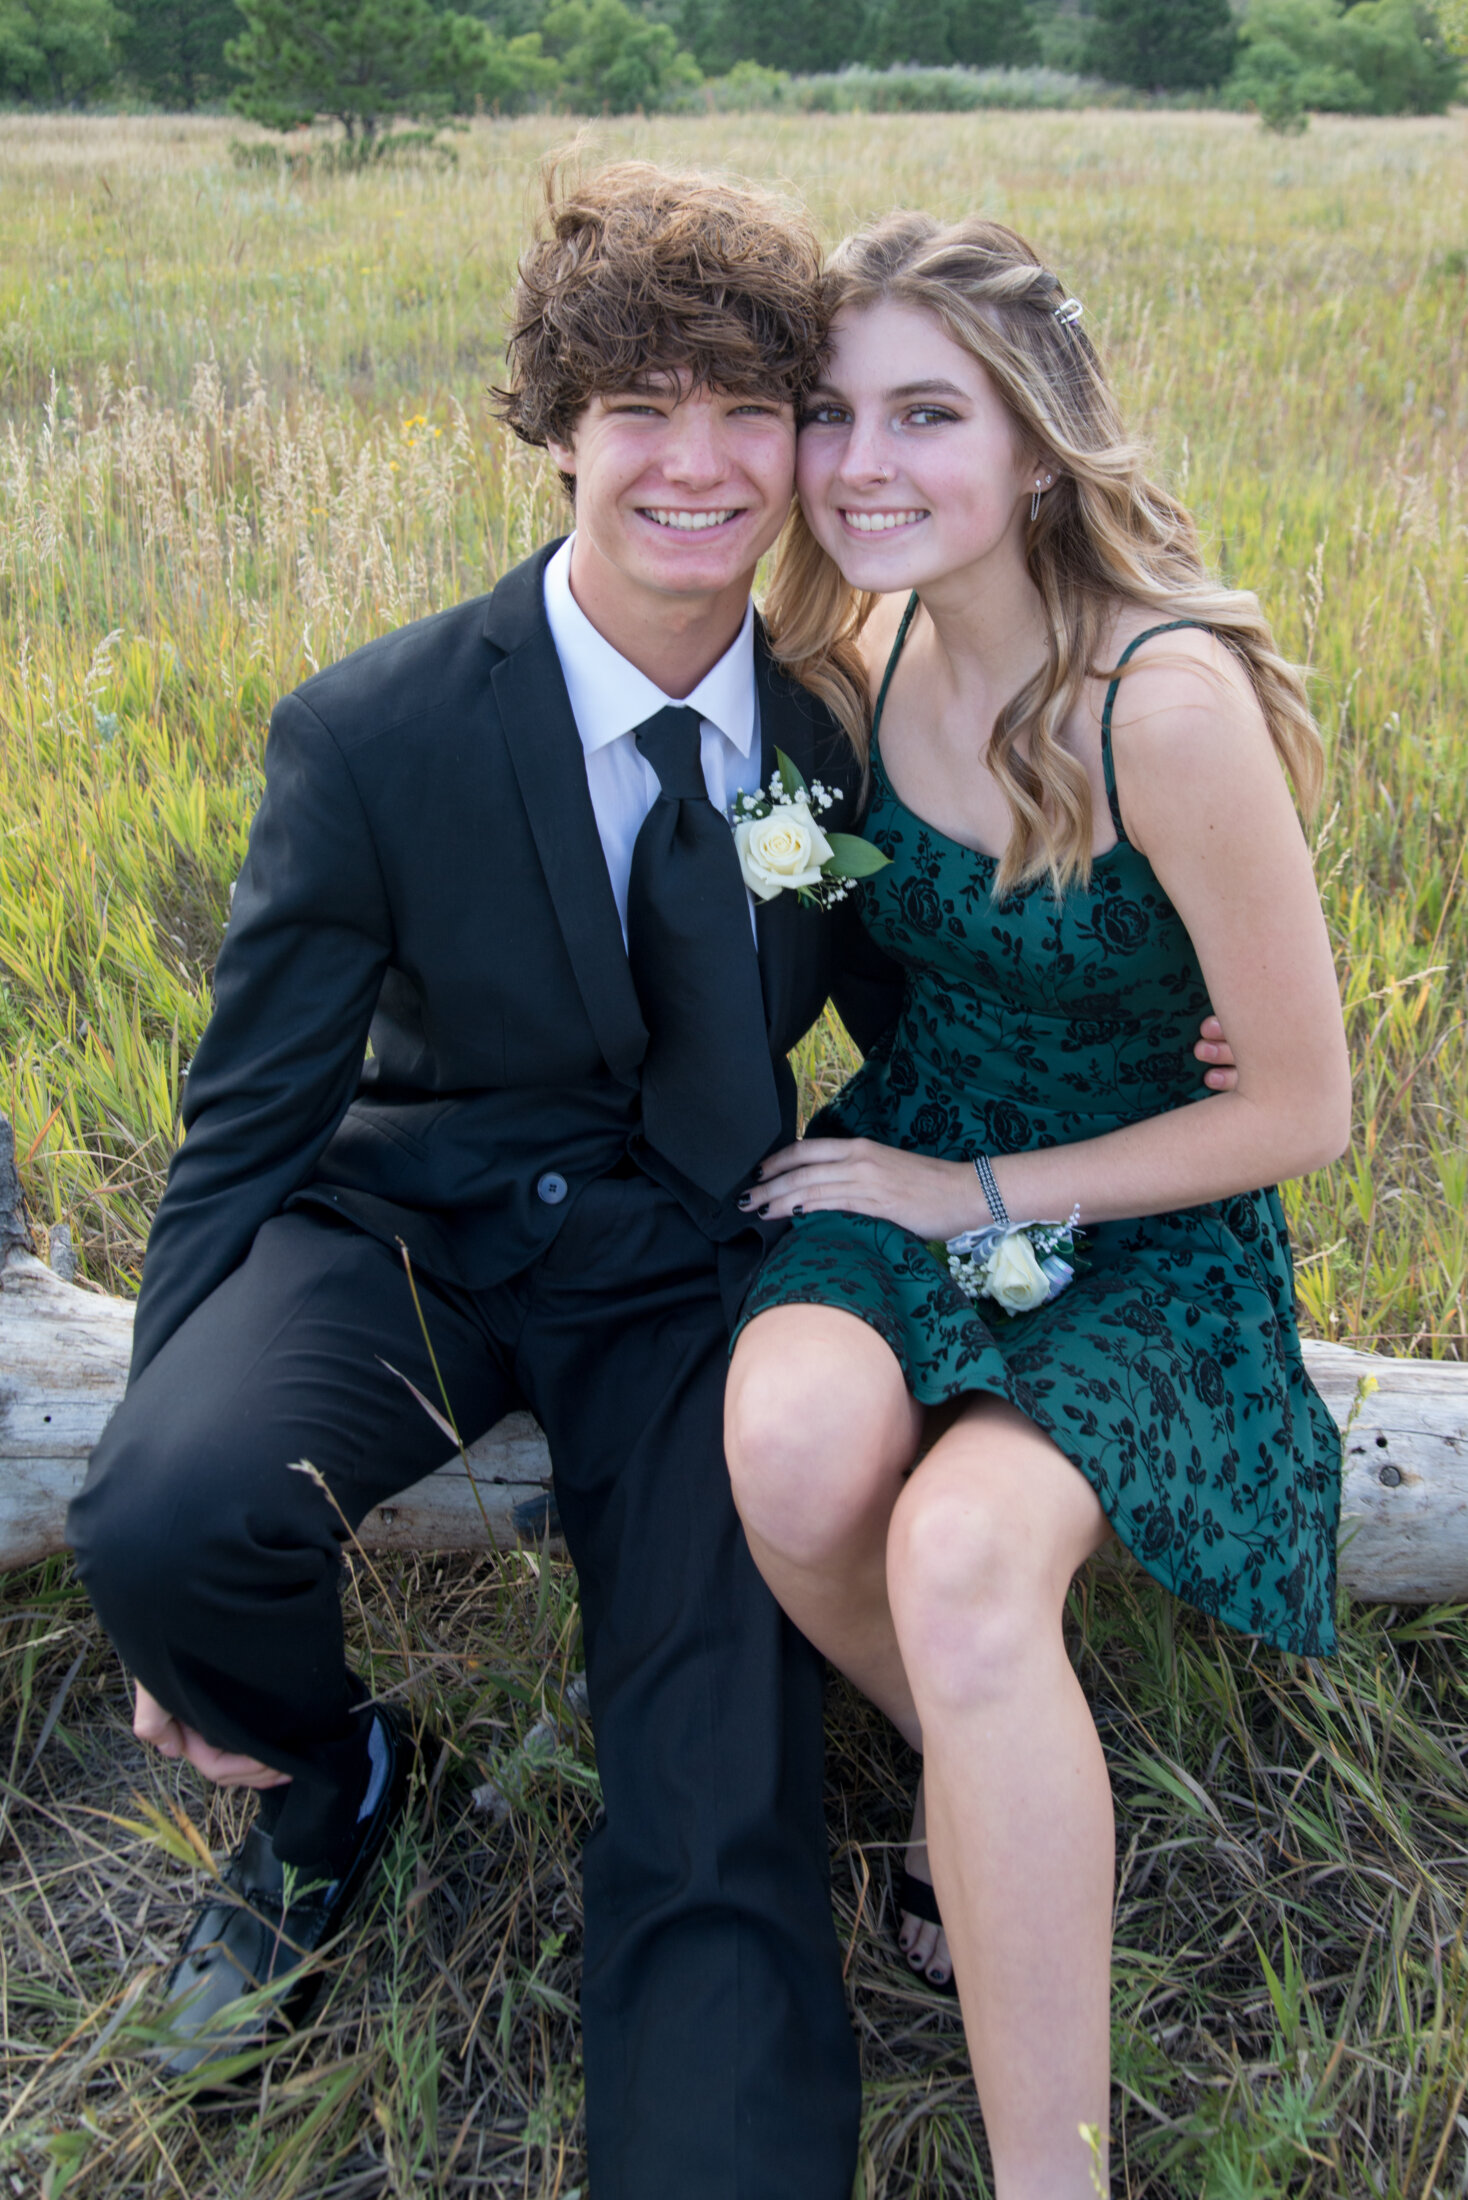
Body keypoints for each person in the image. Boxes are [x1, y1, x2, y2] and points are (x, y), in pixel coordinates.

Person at [66, 163, 892, 2200]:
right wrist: (158, 1507)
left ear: (802, 436)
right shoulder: (371, 731)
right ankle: (333, 1782)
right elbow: (247, 1118)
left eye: (748, 408)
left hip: (694, 1263)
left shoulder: (834, 737)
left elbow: (929, 1006)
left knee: (716, 1789)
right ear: (554, 428)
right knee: (168, 1515)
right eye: (640, 408)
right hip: (409, 1228)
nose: (698, 463)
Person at [725, 213, 1349, 2200]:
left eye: (927, 413)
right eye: (832, 413)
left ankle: (1047, 2175)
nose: (861, 464)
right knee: (790, 1451)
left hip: (1140, 1204)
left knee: (967, 1559)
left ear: (1034, 441)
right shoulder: (862, 648)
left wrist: (970, 1190)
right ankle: (983, 1767)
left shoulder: (1160, 702)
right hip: (916, 1142)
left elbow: (1306, 1108)